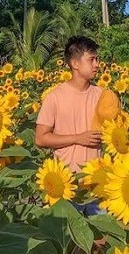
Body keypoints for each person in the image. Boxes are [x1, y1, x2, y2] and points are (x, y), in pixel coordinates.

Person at [35, 35, 103, 173]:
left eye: (97, 59)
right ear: (75, 64)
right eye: (91, 60)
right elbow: (40, 139)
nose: (97, 64)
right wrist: (78, 138)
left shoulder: (101, 95)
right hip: (66, 179)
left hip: (96, 176)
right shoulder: (55, 97)